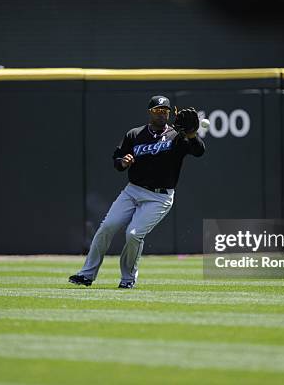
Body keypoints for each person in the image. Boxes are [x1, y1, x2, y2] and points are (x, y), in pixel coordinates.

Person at [69, 95, 205, 288]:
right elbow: (117, 160)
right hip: (132, 191)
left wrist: (191, 135)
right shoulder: (135, 134)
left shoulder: (177, 136)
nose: (161, 114)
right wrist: (123, 162)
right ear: (150, 112)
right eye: (157, 111)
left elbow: (199, 152)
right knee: (106, 227)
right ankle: (86, 275)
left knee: (133, 234)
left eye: (165, 111)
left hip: (159, 197)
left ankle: (127, 279)